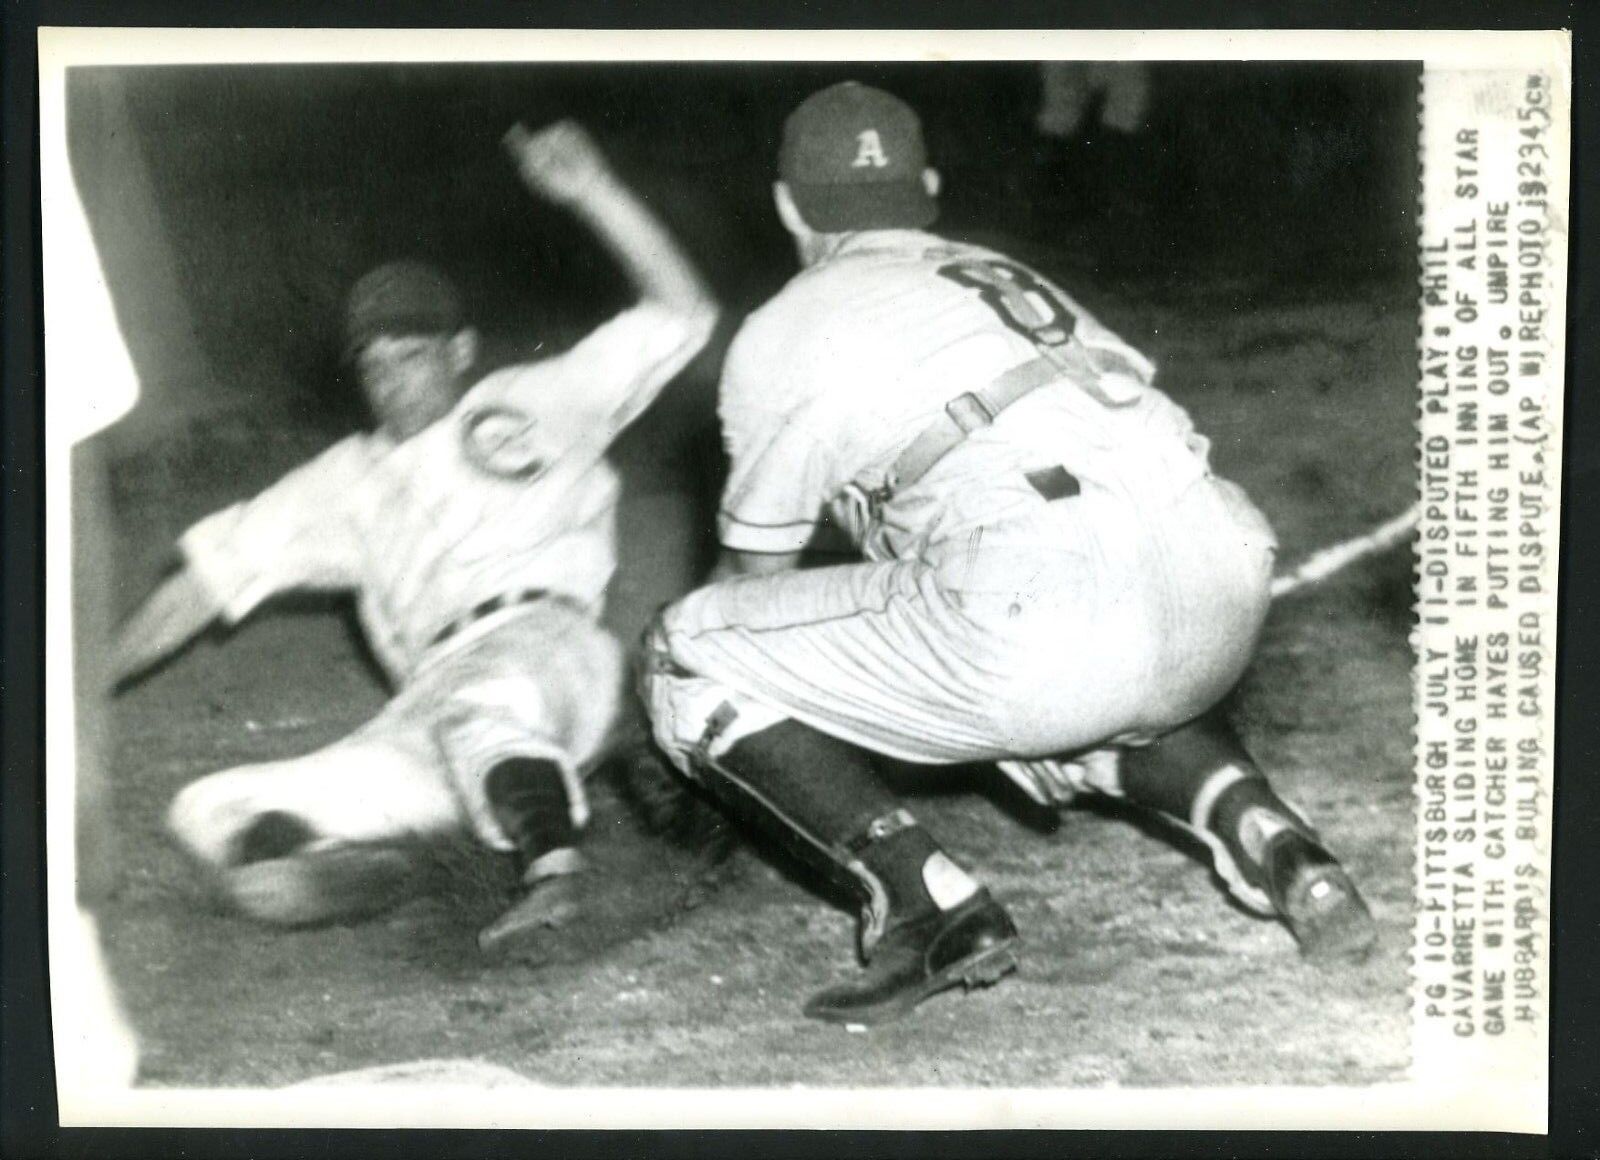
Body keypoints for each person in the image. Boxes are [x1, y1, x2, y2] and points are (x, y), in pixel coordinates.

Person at [642, 82, 1376, 1025]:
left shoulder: (789, 324)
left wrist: (721, 749)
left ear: (788, 204)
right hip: (1227, 572)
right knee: (1067, 663)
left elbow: (752, 582)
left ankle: (925, 900)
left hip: (1040, 604)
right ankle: (1261, 822)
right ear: (930, 189)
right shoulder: (1005, 276)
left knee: (683, 647)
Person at [112, 120, 717, 957]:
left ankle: (558, 877)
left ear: (460, 350)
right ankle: (390, 866)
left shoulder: (532, 397)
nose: (394, 377)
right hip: (427, 703)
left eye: (413, 352)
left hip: (548, 647)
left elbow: (681, 314)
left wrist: (594, 191)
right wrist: (76, 685)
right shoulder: (342, 478)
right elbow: (203, 584)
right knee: (208, 810)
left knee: (486, 709)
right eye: (376, 364)